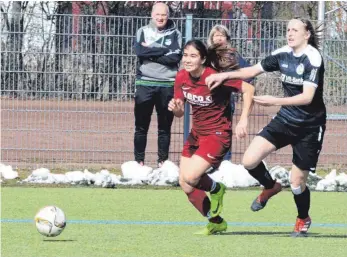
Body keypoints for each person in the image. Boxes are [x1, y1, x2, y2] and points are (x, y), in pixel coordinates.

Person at [206, 18, 326, 237]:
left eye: (295, 30)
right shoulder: (282, 53)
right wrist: (224, 75)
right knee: (249, 160)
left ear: (306, 34)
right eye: (288, 29)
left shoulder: (313, 58)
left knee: (297, 182)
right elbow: (251, 71)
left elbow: (308, 97)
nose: (290, 33)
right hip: (286, 119)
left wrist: (274, 101)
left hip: (310, 126)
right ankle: (270, 186)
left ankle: (302, 218)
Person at [168, 39, 254, 235]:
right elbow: (180, 112)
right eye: (185, 55)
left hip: (217, 134)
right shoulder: (181, 77)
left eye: (193, 56)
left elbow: (249, 90)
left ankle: (216, 189)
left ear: (203, 59)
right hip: (197, 134)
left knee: (191, 176)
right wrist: (177, 109)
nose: (187, 60)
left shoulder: (214, 77)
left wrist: (243, 119)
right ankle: (215, 221)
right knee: (184, 183)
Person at [133, 2, 182, 167]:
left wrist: (151, 53)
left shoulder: (175, 33)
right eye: (158, 15)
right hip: (144, 83)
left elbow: (175, 58)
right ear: (152, 15)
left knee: (165, 127)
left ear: (168, 16)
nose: (160, 18)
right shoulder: (142, 31)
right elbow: (140, 52)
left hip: (167, 85)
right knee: (141, 126)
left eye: (164, 15)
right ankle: (139, 162)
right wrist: (162, 50)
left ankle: (163, 163)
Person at [207, 24, 254, 160]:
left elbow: (249, 72)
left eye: (222, 35)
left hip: (226, 99)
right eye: (216, 35)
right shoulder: (207, 54)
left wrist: (235, 82)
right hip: (207, 99)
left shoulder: (233, 55)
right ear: (212, 38)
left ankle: (225, 161)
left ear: (227, 38)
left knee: (223, 132)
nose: (219, 38)